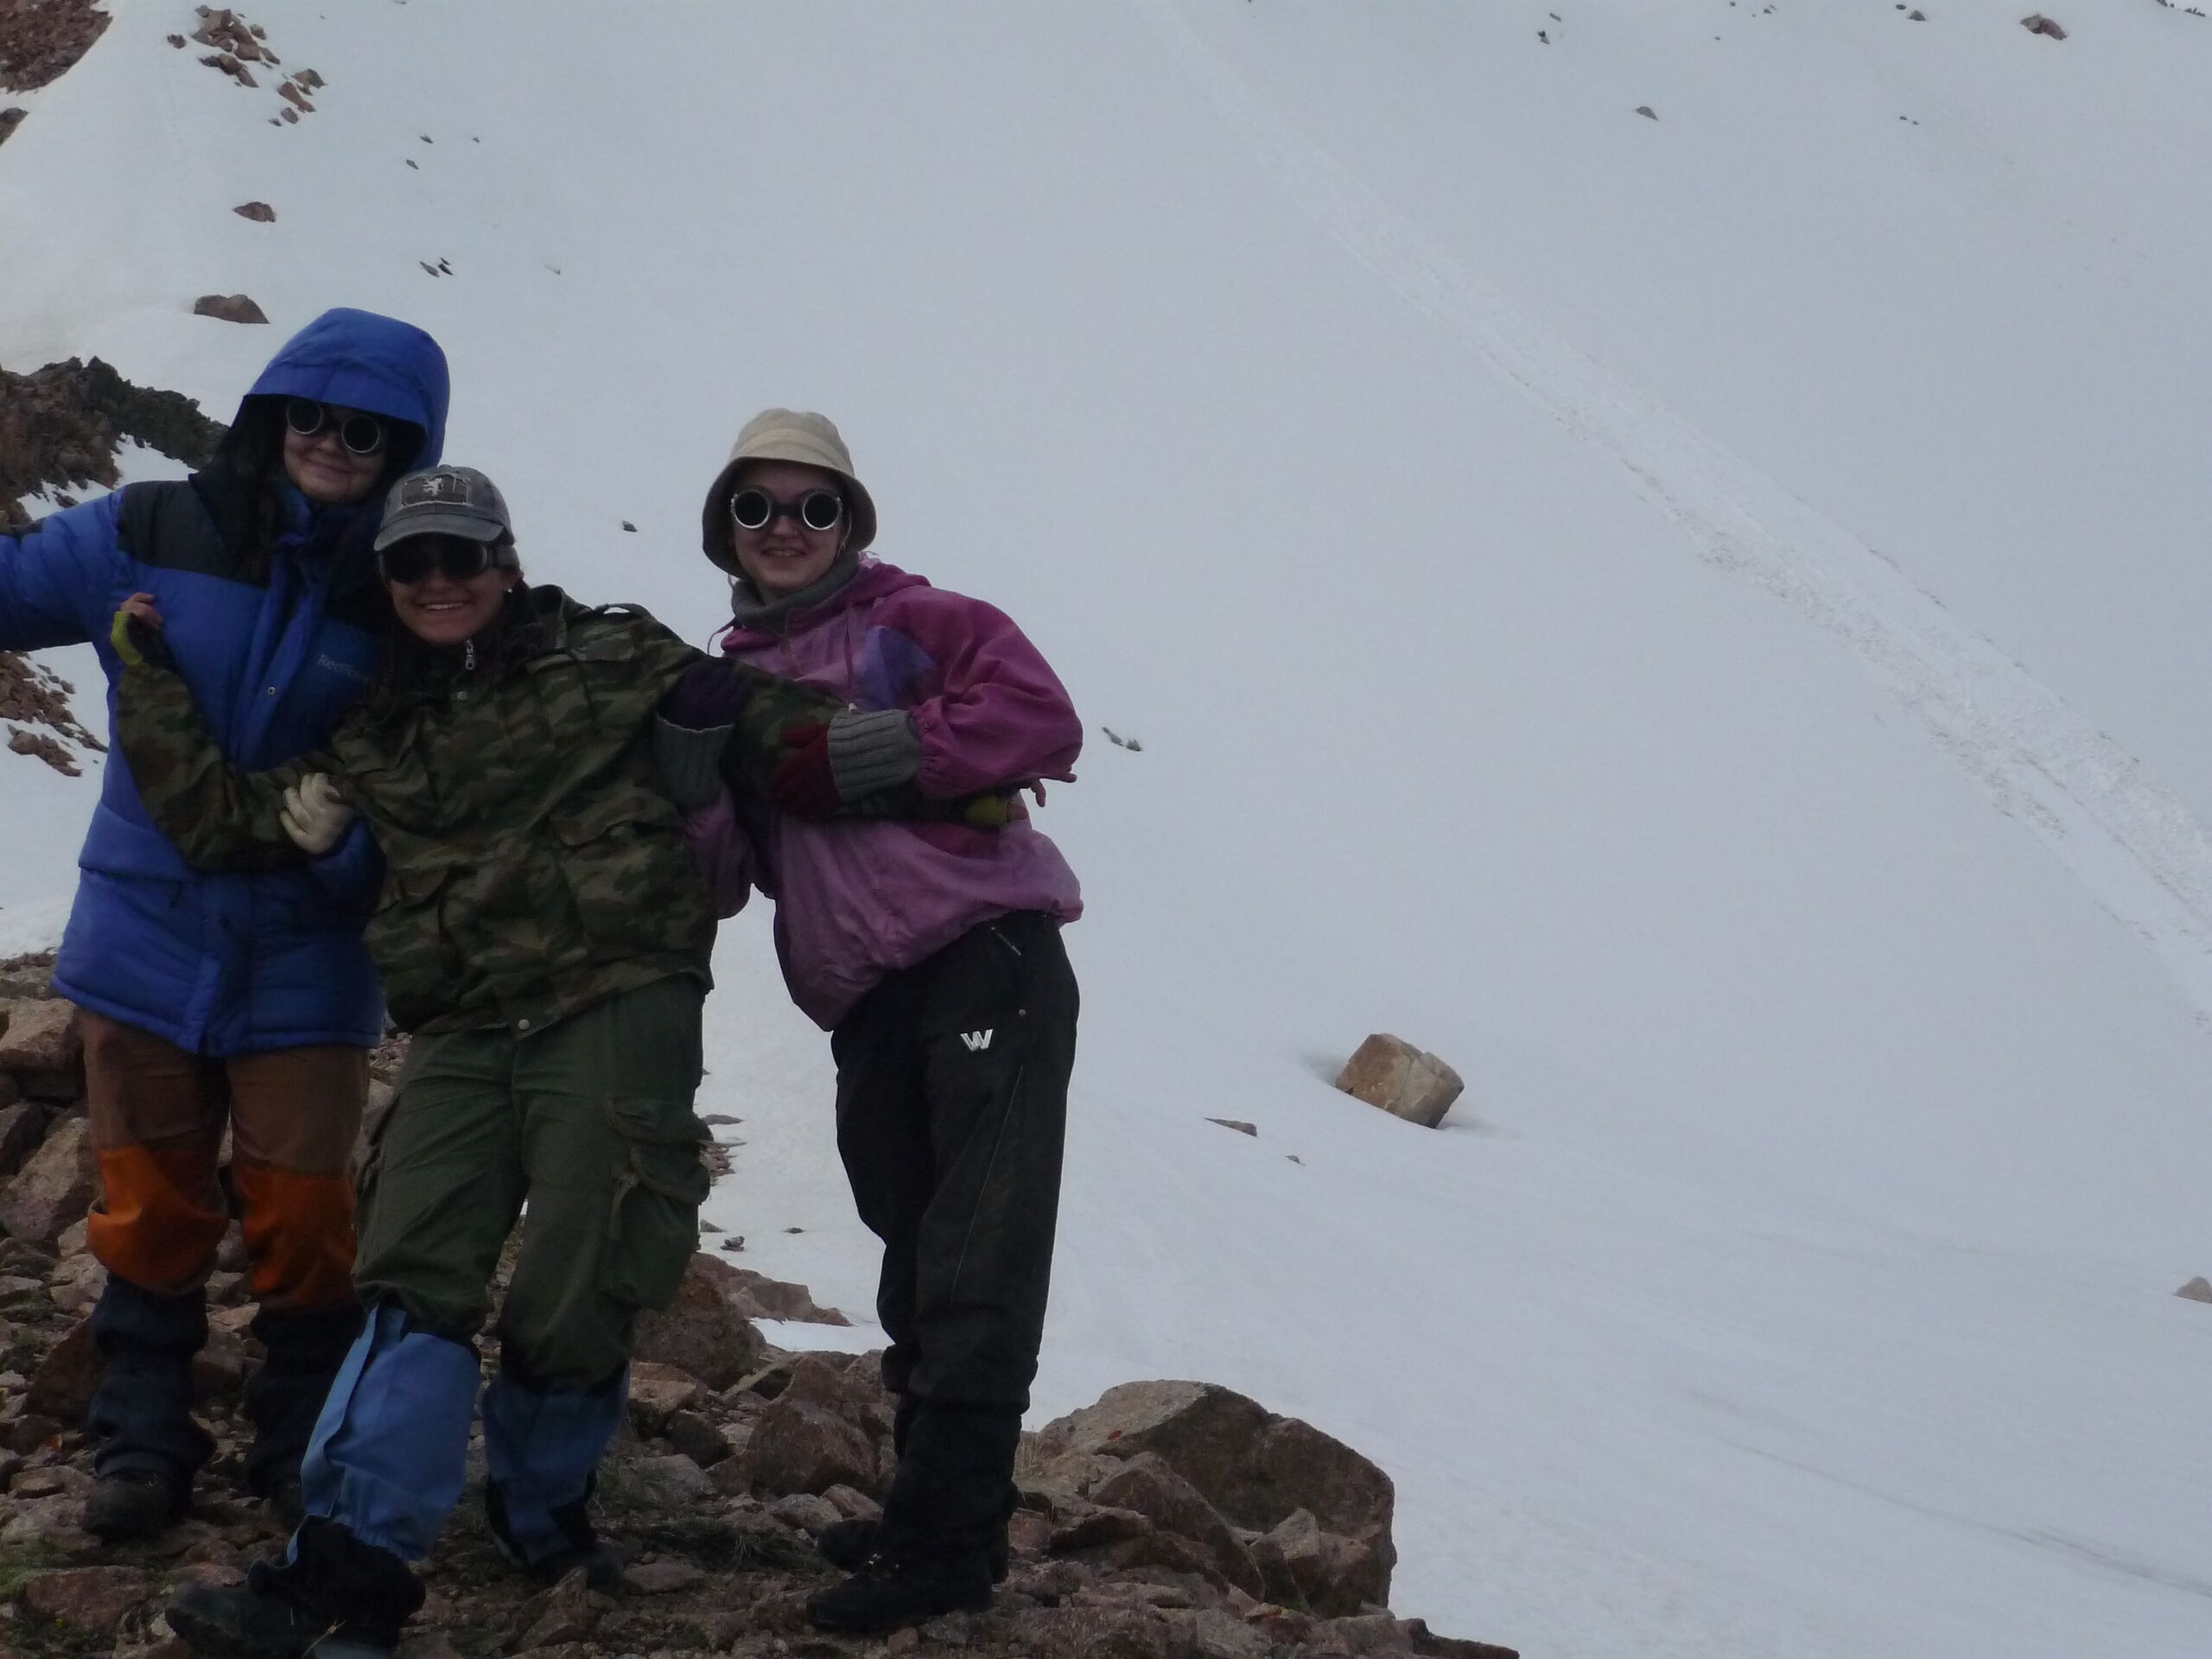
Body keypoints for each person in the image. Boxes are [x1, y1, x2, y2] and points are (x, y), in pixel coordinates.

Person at [109, 463, 849, 1659]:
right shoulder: (373, 734)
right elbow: (223, 822)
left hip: (616, 998)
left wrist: (950, 763)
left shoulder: (615, 654)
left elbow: (793, 735)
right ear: (389, 579)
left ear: (505, 562)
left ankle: (542, 1507)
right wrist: (144, 680)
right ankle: (344, 1575)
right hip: (461, 1028)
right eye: (412, 562)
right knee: (412, 1278)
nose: (438, 580)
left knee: (586, 1267)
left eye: (461, 555)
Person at [0, 308, 449, 1540]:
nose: (333, 441)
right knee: (148, 1202)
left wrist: (347, 847)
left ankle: (298, 1439)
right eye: (312, 414)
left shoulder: (415, 595)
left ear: (408, 448)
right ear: (270, 413)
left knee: (304, 1215)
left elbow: (429, 806)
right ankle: (141, 1439)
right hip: (143, 938)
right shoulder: (150, 529)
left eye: (369, 430)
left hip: (310, 958)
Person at [684, 410, 1084, 1635]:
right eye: (758, 506)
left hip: (987, 960)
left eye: (815, 506)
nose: (786, 527)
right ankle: (941, 1507)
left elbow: (1040, 721)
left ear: (850, 521)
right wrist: (693, 770)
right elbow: (718, 879)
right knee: (912, 1240)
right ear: (725, 528)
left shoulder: (922, 620)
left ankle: (944, 1548)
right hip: (865, 999)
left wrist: (860, 754)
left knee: (976, 1250)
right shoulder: (730, 683)